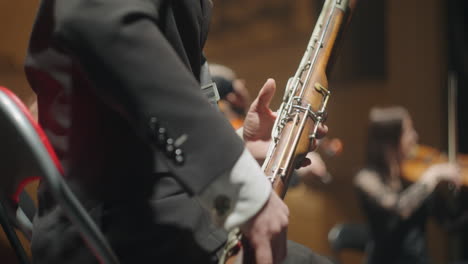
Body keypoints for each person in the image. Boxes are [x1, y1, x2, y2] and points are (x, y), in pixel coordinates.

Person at [25, 1, 330, 263]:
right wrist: (237, 184)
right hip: (121, 231)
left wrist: (239, 146)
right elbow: (97, 20)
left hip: (152, 220)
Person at [354, 106, 461, 264]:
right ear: (389, 140)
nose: (415, 136)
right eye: (409, 131)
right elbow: (400, 208)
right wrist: (433, 175)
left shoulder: (414, 175)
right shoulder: (366, 179)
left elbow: (450, 223)